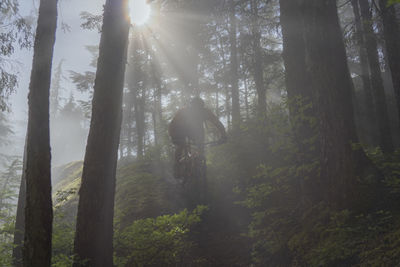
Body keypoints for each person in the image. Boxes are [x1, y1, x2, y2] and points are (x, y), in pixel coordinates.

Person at [169, 97, 227, 178]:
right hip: (181, 130)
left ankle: (199, 168)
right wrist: (174, 137)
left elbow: (217, 123)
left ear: (202, 107)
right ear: (191, 107)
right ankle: (177, 166)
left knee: (200, 149)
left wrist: (223, 135)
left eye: (199, 108)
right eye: (195, 108)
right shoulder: (184, 111)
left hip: (196, 131)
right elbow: (173, 124)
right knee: (181, 145)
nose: (197, 110)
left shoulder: (205, 112)